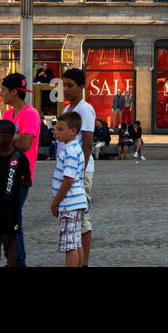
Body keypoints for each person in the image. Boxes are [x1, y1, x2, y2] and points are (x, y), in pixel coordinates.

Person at [0, 72, 40, 267]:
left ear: (14, 92)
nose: (1, 94)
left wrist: (8, 138)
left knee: (12, 221)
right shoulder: (7, 114)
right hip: (4, 173)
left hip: (21, 175)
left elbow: (25, 143)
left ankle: (18, 262)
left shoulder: (30, 114)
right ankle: (12, 260)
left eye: (4, 90)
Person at [58, 69, 96, 265]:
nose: (65, 89)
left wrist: (78, 173)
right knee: (74, 218)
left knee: (82, 218)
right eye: (63, 85)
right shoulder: (67, 111)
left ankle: (84, 262)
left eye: (70, 85)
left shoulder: (85, 109)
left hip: (80, 170)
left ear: (81, 87)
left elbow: (87, 143)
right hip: (69, 169)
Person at [0, 119, 29, 267]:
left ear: (8, 136)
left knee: (11, 240)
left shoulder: (19, 157)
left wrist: (13, 187)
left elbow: (27, 180)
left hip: (12, 206)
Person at [49, 113, 87, 267]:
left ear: (73, 131)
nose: (56, 132)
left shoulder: (70, 151)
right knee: (76, 242)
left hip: (69, 203)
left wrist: (56, 202)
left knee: (69, 246)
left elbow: (67, 180)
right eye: (56, 128)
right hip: (77, 201)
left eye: (60, 129)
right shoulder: (73, 148)